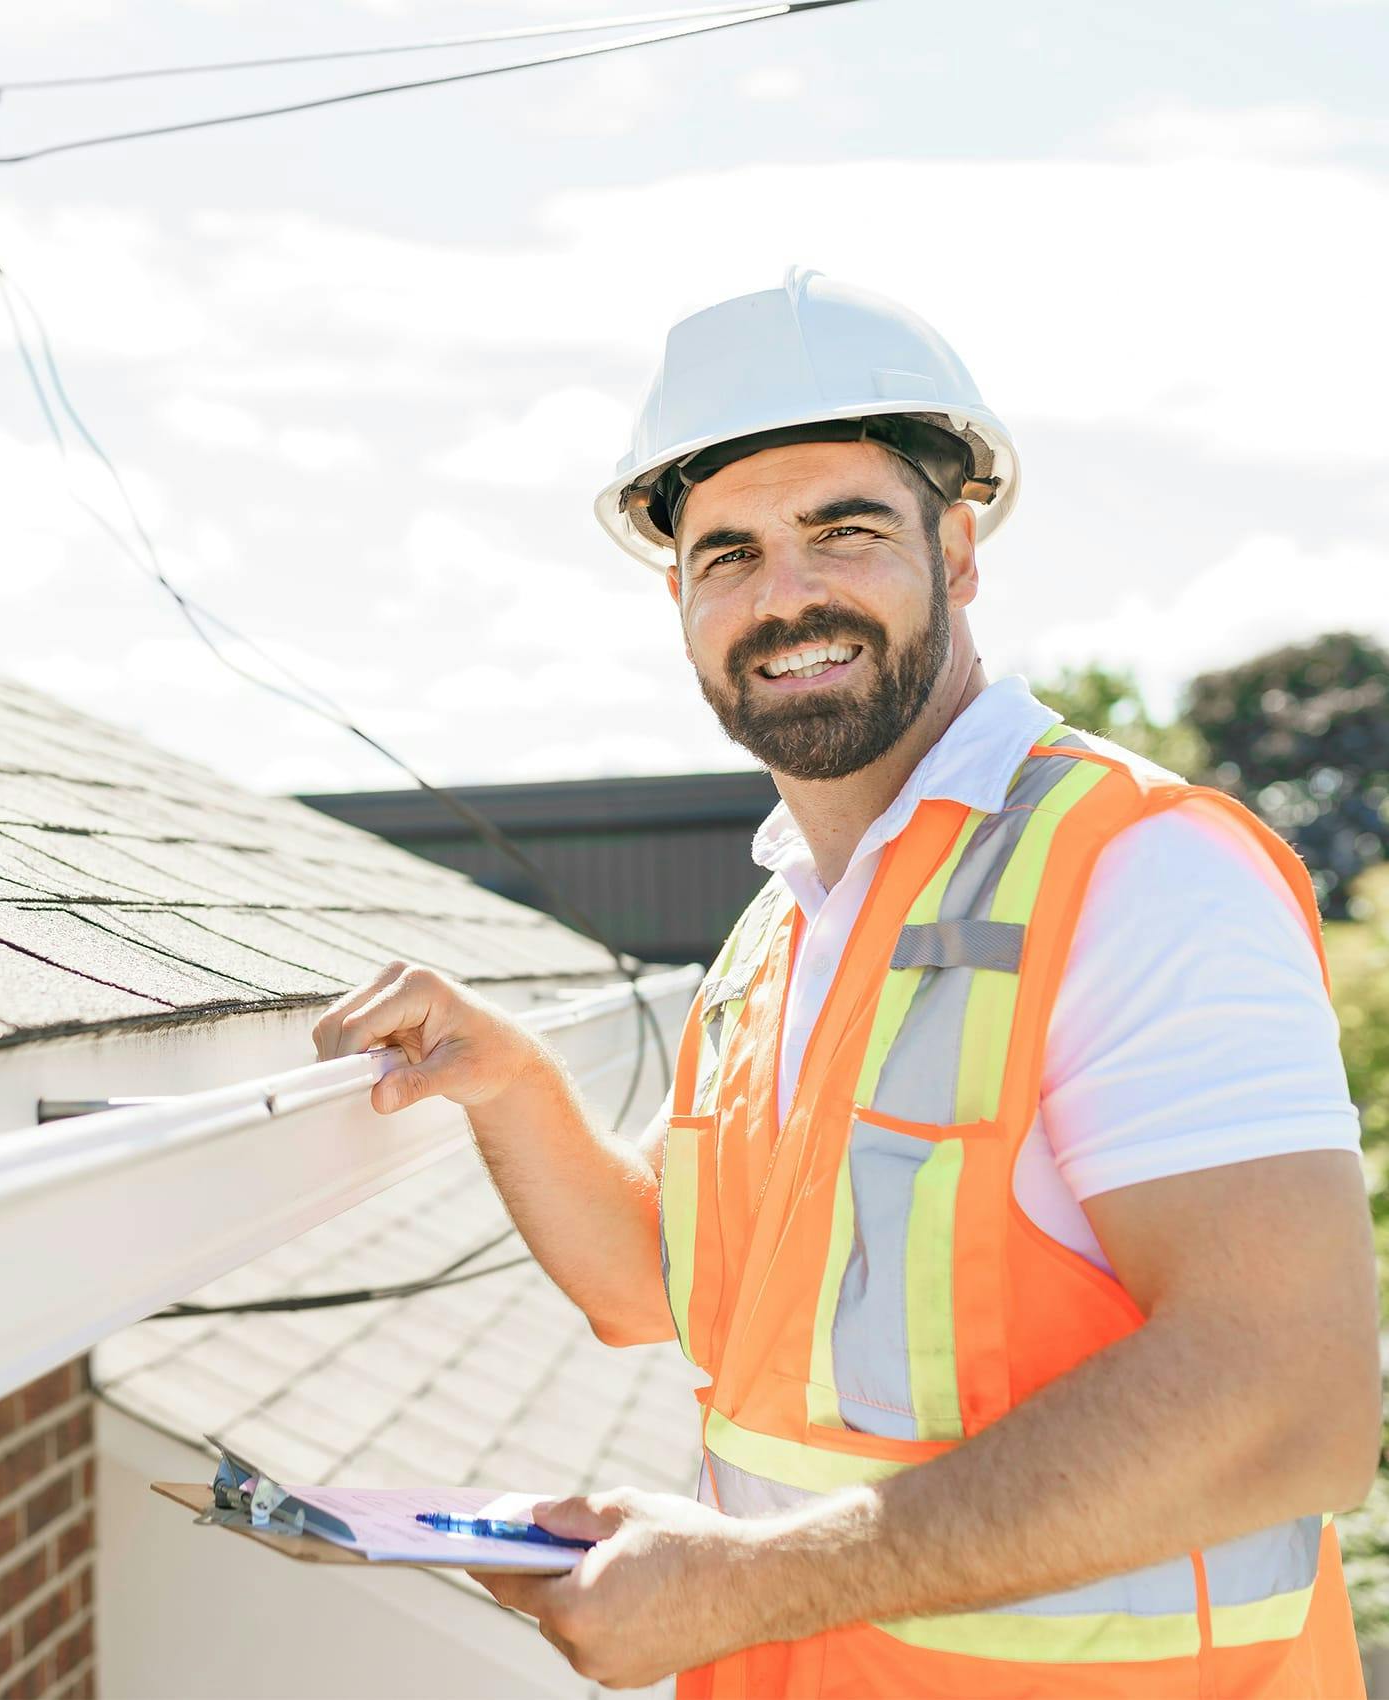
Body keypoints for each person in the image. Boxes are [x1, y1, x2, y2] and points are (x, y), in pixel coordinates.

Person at [311, 269, 1379, 1696]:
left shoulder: (1135, 873)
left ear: (959, 547)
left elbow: (1286, 1402)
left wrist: (745, 1581)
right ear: (679, 598)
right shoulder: (781, 934)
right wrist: (509, 1083)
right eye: (726, 554)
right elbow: (660, 1290)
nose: (786, 593)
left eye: (844, 531)